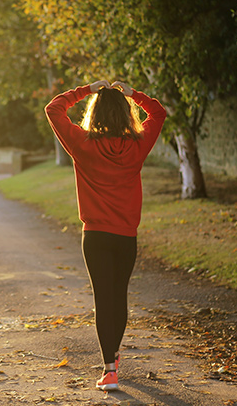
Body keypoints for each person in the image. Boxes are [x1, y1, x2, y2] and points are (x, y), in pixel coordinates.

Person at [44, 80, 166, 391]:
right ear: (126, 114)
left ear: (94, 113)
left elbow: (54, 109)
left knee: (103, 299)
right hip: (125, 236)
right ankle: (112, 357)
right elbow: (158, 113)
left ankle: (109, 369)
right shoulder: (137, 145)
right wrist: (133, 94)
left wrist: (86, 90)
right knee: (119, 295)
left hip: (95, 236)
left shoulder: (82, 144)